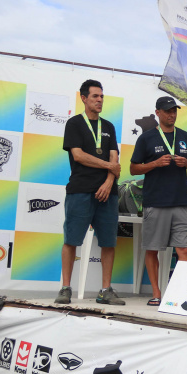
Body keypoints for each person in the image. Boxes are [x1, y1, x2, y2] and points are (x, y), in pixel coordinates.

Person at [56, 79, 124, 305]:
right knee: (71, 239)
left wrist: (108, 182)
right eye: (95, 96)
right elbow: (79, 155)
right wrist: (108, 168)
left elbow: (115, 157)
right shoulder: (74, 124)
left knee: (108, 242)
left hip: (108, 192)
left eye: (102, 96)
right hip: (81, 190)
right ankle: (65, 288)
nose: (99, 100)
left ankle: (105, 290)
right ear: (83, 98)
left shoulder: (109, 126)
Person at [130, 96, 187, 306]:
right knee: (153, 249)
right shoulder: (147, 138)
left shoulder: (185, 136)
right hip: (155, 202)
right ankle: (156, 293)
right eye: (167, 110)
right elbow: (133, 168)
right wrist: (154, 164)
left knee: (184, 250)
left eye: (174, 111)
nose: (172, 114)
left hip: (180, 202)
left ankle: (182, 295)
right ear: (158, 113)